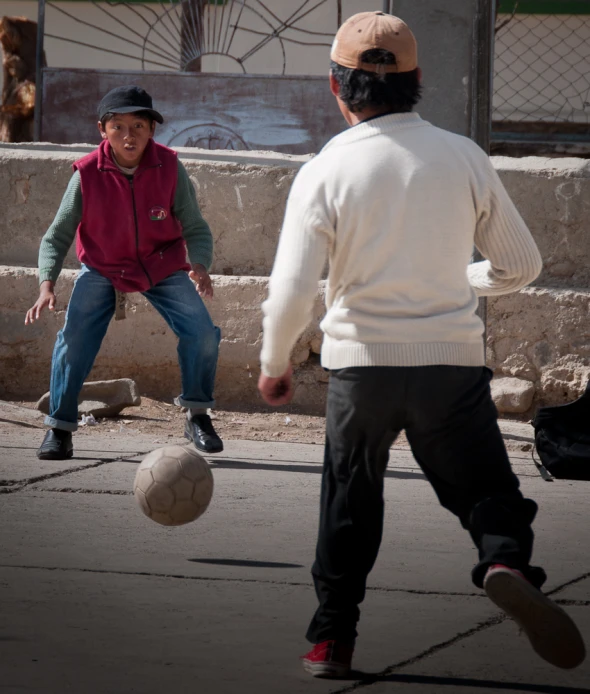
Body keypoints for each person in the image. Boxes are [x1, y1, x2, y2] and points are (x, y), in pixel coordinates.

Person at [258, 11, 585, 678]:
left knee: (350, 502)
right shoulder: (463, 155)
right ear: (417, 81)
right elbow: (519, 266)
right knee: (488, 490)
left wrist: (273, 363)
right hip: (450, 366)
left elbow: (293, 287)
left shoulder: (324, 170)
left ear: (334, 86)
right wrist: (455, 276)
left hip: (360, 369)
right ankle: (503, 561)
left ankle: (331, 641)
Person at [25, 85, 223, 460]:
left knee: (202, 333)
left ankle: (198, 415)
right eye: (118, 126)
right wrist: (46, 285)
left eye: (138, 126)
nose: (128, 136)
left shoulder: (169, 167)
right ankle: (60, 428)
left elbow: (195, 226)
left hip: (161, 263)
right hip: (103, 265)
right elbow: (56, 236)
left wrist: (200, 265)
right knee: (74, 340)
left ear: (152, 130)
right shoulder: (85, 174)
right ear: (102, 130)